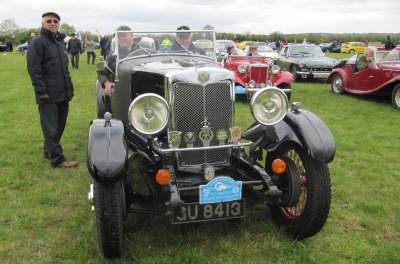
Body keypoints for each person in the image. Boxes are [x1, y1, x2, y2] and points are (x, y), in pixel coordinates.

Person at [27, 11, 77, 168]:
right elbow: (34, 68)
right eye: (49, 21)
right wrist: (41, 91)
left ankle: (48, 151)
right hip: (47, 94)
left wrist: (69, 87)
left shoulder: (60, 43)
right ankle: (57, 159)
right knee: (50, 127)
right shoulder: (38, 42)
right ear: (43, 23)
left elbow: (65, 69)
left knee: (60, 125)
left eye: (56, 21)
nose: (53, 23)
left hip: (62, 92)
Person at [98, 25, 135, 96]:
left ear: (131, 35)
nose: (121, 38)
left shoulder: (142, 51)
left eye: (124, 35)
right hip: (123, 91)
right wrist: (107, 83)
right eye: (119, 36)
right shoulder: (113, 55)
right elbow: (101, 73)